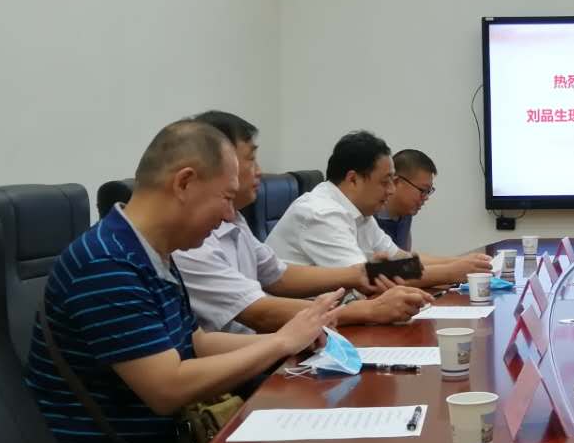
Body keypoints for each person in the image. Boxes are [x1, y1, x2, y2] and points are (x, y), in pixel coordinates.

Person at [26, 120, 338, 443]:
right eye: (225, 198)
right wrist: (278, 342)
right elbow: (167, 387)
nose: (229, 215)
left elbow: (194, 342)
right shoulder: (106, 263)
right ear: (185, 183)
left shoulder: (151, 252)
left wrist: (295, 339)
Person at [173, 111, 429, 332]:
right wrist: (366, 310)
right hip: (259, 349)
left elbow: (279, 276)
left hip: (272, 342)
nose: (259, 171)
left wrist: (357, 275)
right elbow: (258, 313)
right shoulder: (190, 243)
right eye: (250, 159)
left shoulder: (234, 219)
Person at [267, 131, 490, 287]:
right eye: (385, 182)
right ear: (353, 179)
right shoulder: (321, 214)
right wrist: (453, 272)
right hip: (288, 327)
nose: (391, 190)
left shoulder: (361, 213)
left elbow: (401, 260)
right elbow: (366, 280)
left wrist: (463, 264)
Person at [376, 148, 436, 252]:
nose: (426, 197)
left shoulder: (406, 212)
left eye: (428, 191)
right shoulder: (369, 219)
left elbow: (406, 254)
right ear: (396, 182)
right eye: (422, 190)